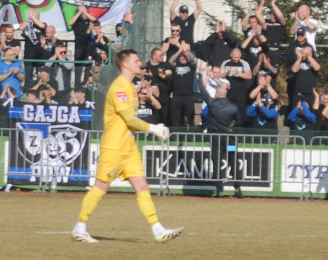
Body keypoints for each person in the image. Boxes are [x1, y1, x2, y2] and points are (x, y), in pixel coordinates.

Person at [72, 49, 181, 244]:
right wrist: (154, 129)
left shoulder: (131, 87)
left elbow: (131, 120)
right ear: (127, 64)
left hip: (129, 148)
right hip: (114, 147)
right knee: (101, 187)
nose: (141, 63)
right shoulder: (119, 88)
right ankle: (79, 228)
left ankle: (158, 230)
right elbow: (129, 118)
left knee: (142, 186)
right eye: (137, 61)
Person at [202, 78, 243, 197]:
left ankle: (219, 189)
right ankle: (237, 188)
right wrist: (232, 124)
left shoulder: (212, 103)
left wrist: (200, 76)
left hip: (216, 138)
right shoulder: (233, 106)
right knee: (233, 160)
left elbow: (203, 92)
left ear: (217, 94)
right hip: (229, 139)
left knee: (217, 162)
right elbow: (239, 121)